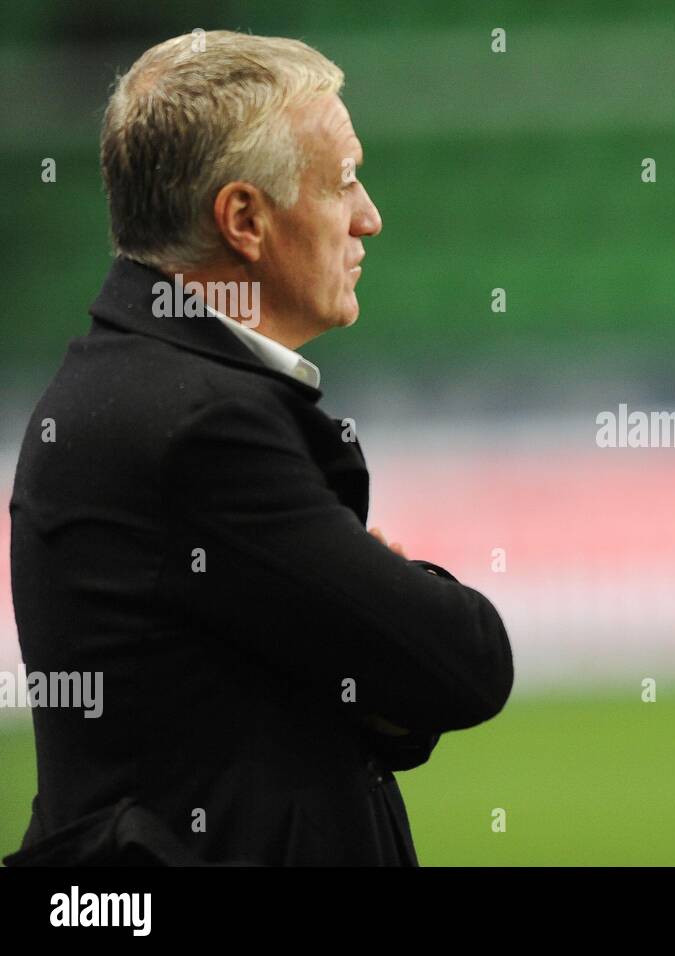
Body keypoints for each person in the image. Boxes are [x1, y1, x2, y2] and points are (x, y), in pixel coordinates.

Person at [6, 31, 512, 866]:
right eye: (344, 180)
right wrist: (399, 602)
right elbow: (465, 663)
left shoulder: (126, 379)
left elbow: (302, 693)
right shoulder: (200, 426)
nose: (370, 217)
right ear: (244, 218)